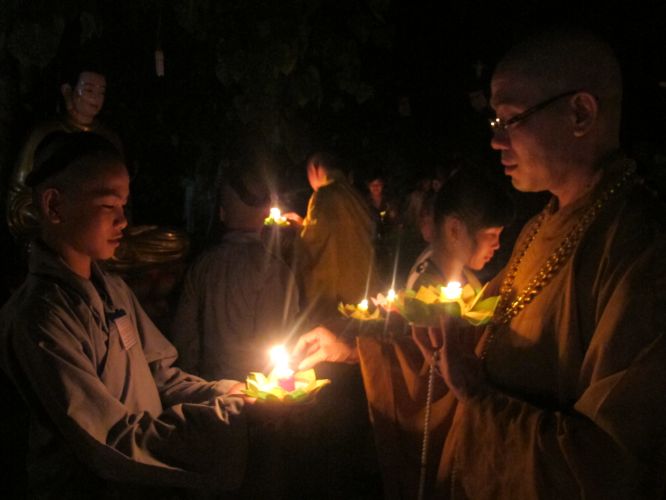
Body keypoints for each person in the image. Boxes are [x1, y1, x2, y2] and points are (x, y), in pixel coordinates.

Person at [293, 27, 666, 499]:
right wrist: (356, 349)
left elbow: (613, 465)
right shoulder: (539, 229)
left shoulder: (640, 249)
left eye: (511, 119)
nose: (496, 140)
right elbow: (468, 346)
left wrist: (476, 395)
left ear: (580, 113)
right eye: (494, 122)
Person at [0, 132, 251, 497]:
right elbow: (107, 439)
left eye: (124, 205)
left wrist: (230, 391)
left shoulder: (113, 288)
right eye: (108, 205)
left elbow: (158, 375)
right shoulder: (39, 317)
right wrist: (227, 420)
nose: (123, 221)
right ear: (53, 206)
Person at [7, 60, 188, 273]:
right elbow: (19, 201)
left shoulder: (108, 138)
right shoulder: (45, 135)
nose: (96, 98)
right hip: (61, 232)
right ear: (68, 91)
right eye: (89, 90)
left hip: (102, 236)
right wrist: (53, 220)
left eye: (101, 92)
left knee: (175, 240)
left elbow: (122, 199)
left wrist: (121, 223)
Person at [171, 164, 299, 381]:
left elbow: (185, 337)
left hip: (210, 387)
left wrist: (194, 386)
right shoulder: (276, 270)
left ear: (222, 213)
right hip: (258, 390)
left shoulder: (203, 266)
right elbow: (279, 337)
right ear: (267, 214)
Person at [286, 151, 377, 325]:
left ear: (314, 169)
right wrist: (304, 222)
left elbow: (313, 242)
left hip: (337, 291)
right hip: (362, 282)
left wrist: (296, 229)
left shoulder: (324, 195)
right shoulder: (353, 194)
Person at [405, 170, 513, 291]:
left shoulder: (465, 278)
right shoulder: (425, 291)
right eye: (491, 234)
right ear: (454, 229)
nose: (497, 245)